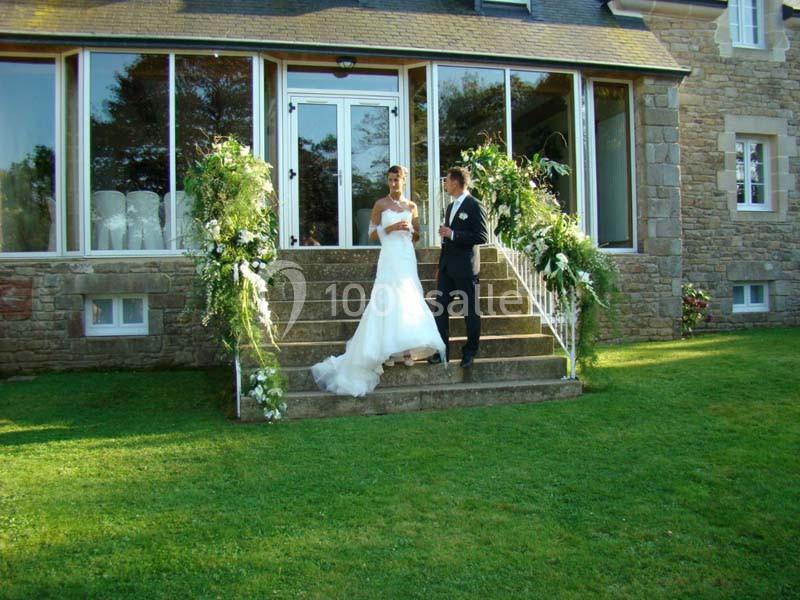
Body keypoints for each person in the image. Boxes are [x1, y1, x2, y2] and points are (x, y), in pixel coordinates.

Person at [311, 165, 446, 397]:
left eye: (397, 180)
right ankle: (386, 352)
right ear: (387, 181)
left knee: (407, 299)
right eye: (391, 180)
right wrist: (391, 227)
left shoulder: (411, 206)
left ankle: (405, 351)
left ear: (404, 180)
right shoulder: (380, 204)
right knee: (387, 300)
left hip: (406, 257)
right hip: (389, 256)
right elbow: (372, 232)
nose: (394, 183)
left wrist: (410, 231)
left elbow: (416, 235)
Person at [428, 167, 488, 369]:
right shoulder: (450, 207)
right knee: (440, 309)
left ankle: (470, 352)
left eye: (446, 181)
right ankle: (442, 351)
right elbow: (446, 239)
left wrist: (453, 234)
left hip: (465, 267)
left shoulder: (474, 205)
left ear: (455, 182)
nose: (445, 184)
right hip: (447, 267)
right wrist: (440, 264)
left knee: (470, 311)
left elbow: (481, 237)